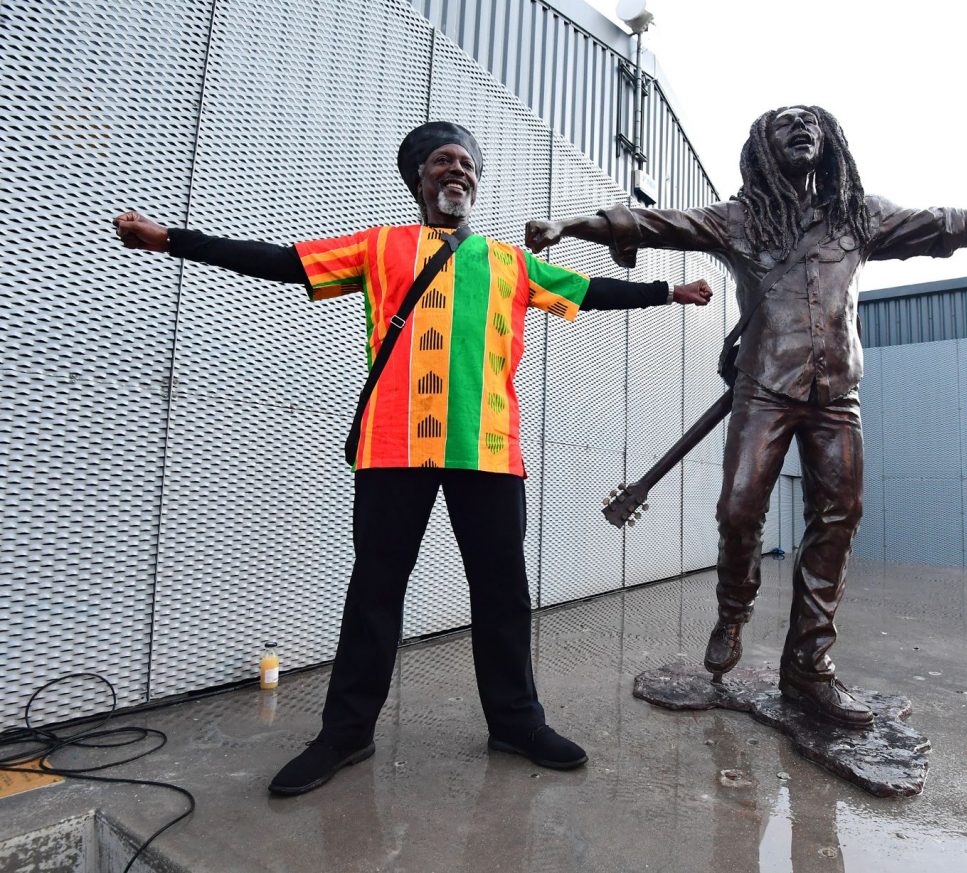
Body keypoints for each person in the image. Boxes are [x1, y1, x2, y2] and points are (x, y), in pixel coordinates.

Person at [113, 120, 712, 794]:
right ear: (419, 179)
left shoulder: (509, 263)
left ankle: (516, 720)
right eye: (442, 162)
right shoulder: (379, 247)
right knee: (374, 592)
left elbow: (586, 291)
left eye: (467, 163)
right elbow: (284, 262)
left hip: (487, 451)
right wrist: (171, 242)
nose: (457, 170)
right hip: (393, 447)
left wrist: (668, 292)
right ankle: (346, 733)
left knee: (504, 596)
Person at [526, 105, 967, 728]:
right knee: (739, 509)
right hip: (765, 387)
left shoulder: (859, 216)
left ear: (831, 142)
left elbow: (947, 225)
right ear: (762, 147)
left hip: (837, 392)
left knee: (839, 517)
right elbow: (654, 222)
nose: (802, 129)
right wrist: (571, 224)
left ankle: (808, 667)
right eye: (784, 124)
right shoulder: (740, 219)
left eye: (811, 122)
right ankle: (733, 612)